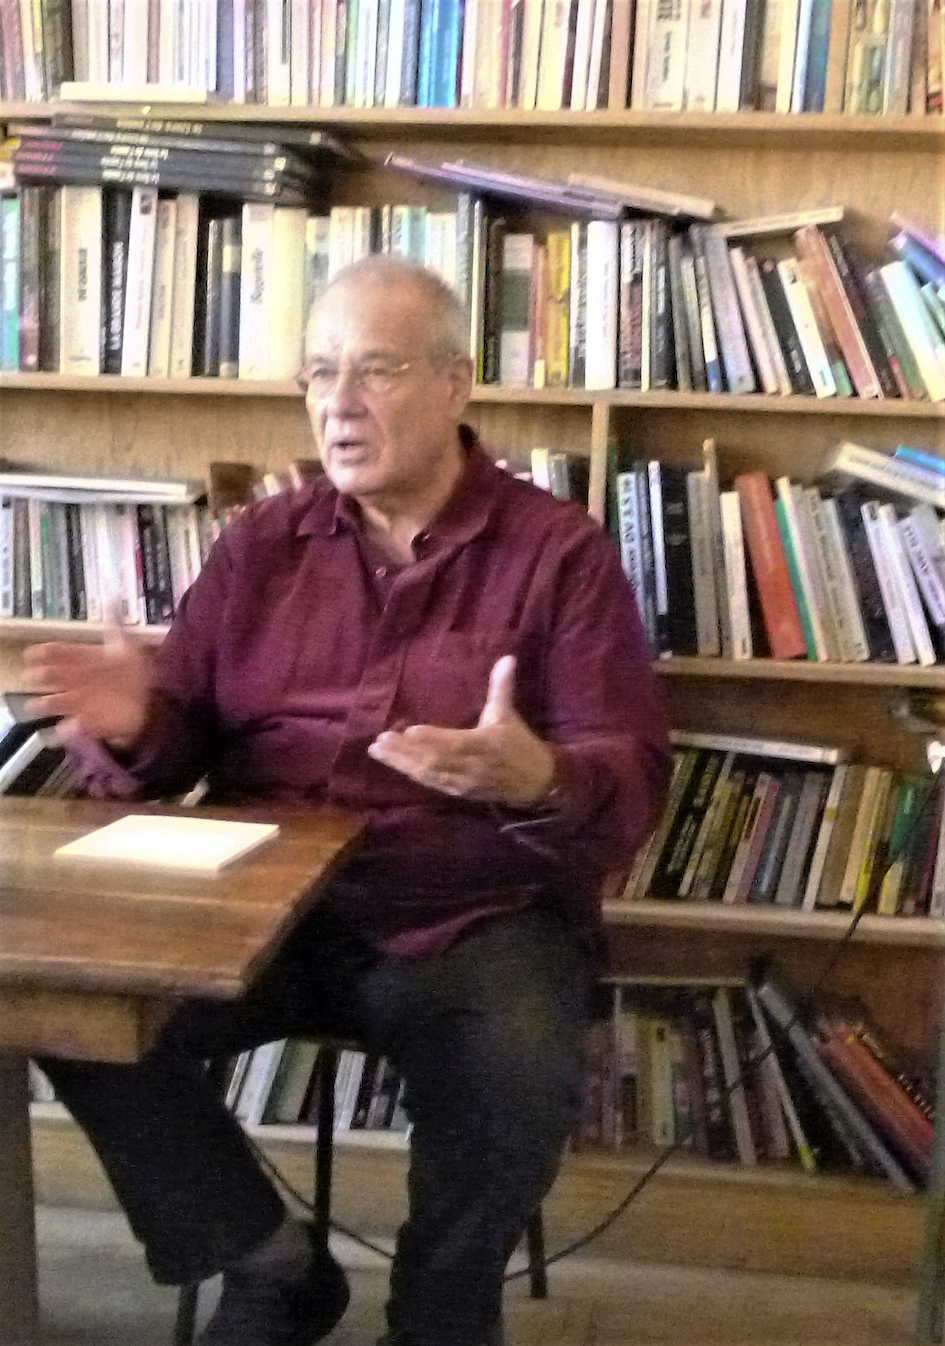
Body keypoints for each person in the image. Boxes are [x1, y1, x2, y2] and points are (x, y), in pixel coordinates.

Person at [24, 255, 671, 1346]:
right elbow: (182, 735)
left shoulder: (559, 553)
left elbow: (633, 778)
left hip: (465, 905)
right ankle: (270, 1264)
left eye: (376, 370)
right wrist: (138, 724)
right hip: (257, 899)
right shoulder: (261, 545)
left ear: (457, 383)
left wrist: (536, 776)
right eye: (319, 374)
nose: (339, 404)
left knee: (515, 1060)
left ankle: (438, 1318)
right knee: (68, 1003)